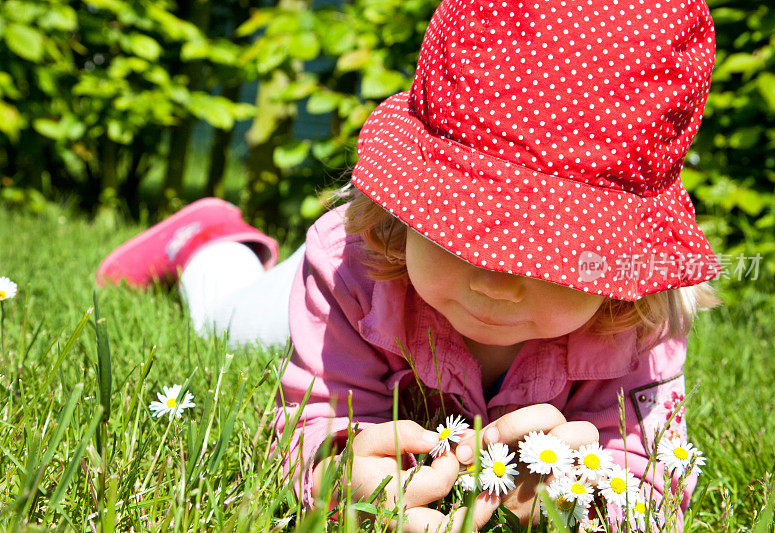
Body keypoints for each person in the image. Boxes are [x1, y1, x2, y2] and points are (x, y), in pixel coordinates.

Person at [97, 0, 722, 529]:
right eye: (463, 228)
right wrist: (340, 473)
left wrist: (590, 494)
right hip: (364, 274)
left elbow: (658, 483)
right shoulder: (350, 269)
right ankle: (210, 246)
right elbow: (307, 424)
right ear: (409, 204)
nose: (496, 281)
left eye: (548, 254)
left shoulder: (639, 325)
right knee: (224, 321)